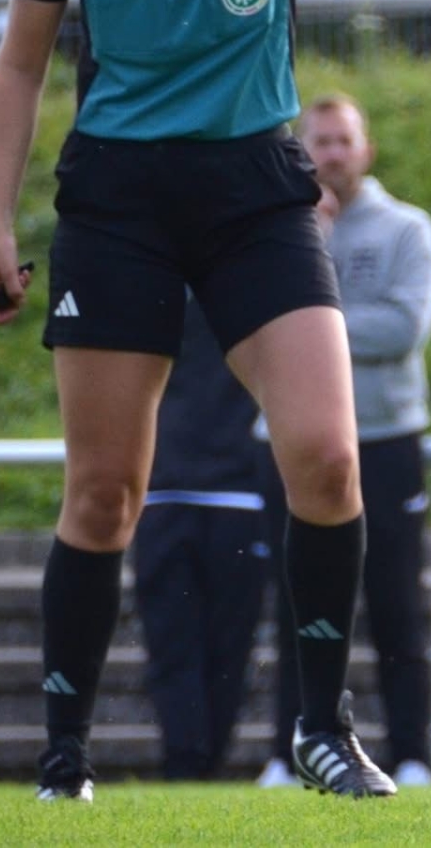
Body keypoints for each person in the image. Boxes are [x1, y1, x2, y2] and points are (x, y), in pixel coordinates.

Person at [0, 0, 403, 802]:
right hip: (118, 202)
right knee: (106, 491)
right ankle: (64, 758)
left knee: (328, 457)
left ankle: (323, 730)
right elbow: (19, 67)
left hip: (254, 190)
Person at [257, 94, 431, 789]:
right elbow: (250, 325)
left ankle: (412, 754)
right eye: (320, 141)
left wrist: (304, 332)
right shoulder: (274, 233)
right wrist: (311, 240)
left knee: (396, 605)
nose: (332, 153)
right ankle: (288, 753)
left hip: (385, 439)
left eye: (343, 140)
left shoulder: (406, 229)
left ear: (366, 149)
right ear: (301, 152)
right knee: (294, 605)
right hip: (288, 444)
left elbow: (403, 329)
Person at [130, 301, 271, 781]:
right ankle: (193, 765)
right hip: (195, 493)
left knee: (192, 647)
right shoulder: (257, 291)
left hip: (201, 493)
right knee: (216, 648)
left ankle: (190, 765)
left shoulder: (153, 288)